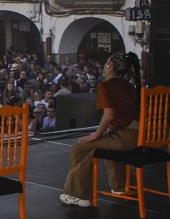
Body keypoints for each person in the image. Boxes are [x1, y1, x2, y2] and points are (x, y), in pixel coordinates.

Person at [59, 51, 141, 208]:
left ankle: (78, 194)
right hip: (138, 135)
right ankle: (120, 185)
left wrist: (96, 134)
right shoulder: (129, 86)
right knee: (101, 144)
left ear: (109, 66)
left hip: (126, 137)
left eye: (106, 64)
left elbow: (109, 115)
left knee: (81, 147)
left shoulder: (107, 86)